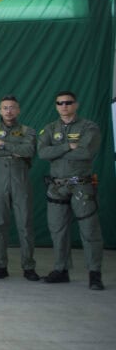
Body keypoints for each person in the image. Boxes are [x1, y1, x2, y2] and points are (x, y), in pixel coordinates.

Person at [38, 91, 103, 290]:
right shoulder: (50, 128)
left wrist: (57, 151)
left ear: (76, 104)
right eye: (60, 103)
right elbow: (42, 153)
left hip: (80, 185)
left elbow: (86, 152)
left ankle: (94, 273)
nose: (64, 106)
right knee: (58, 230)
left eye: (68, 102)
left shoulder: (89, 127)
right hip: (56, 186)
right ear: (56, 106)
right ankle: (61, 270)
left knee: (89, 230)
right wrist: (68, 146)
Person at [0, 96, 39, 281]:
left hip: (20, 179)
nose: (8, 111)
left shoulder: (27, 131)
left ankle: (28, 266)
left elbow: (29, 151)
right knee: (0, 224)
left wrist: (3, 144)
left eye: (12, 107)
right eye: (5, 108)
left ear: (18, 110)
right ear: (0, 111)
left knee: (25, 224)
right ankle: (0, 266)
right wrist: (15, 150)